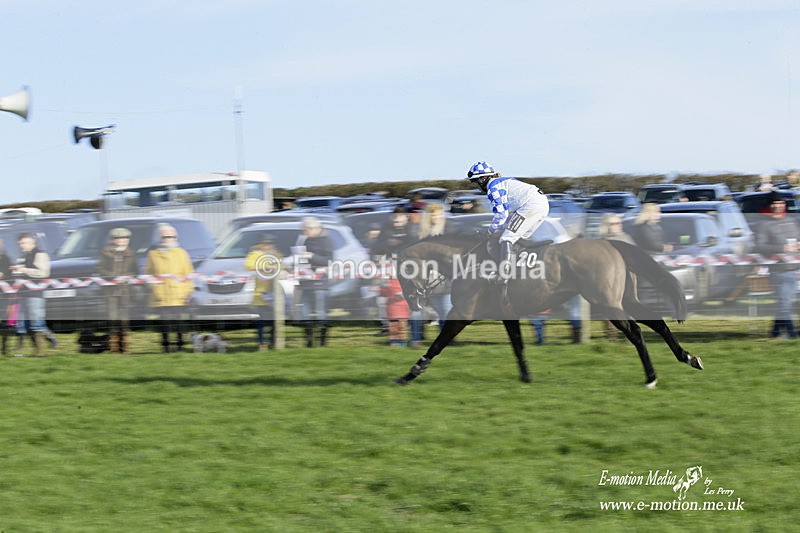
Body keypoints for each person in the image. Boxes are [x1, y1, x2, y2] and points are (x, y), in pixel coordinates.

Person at [466, 161, 550, 283]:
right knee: (520, 239)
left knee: (507, 238)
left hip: (531, 205)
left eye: (476, 182)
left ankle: (504, 275)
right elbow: (506, 215)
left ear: (483, 179)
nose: (477, 187)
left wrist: (489, 231)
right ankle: (521, 269)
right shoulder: (501, 182)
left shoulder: (493, 187)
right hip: (542, 204)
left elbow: (501, 215)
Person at [754, 193, 800, 338]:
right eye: (775, 203)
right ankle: (792, 333)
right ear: (770, 206)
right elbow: (760, 247)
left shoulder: (791, 221)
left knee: (785, 302)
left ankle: (775, 332)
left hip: (794, 268)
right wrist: (782, 248)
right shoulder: (763, 224)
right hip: (779, 270)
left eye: (781, 203)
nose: (778, 206)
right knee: (784, 301)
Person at [146, 224, 194, 353]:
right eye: (165, 237)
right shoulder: (153, 254)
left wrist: (189, 291)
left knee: (179, 322)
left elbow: (189, 274)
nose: (168, 239)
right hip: (161, 295)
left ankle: (180, 346)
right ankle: (166, 347)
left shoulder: (182, 253)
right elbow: (149, 274)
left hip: (179, 294)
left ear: (176, 237)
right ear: (160, 238)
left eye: (171, 237)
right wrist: (154, 288)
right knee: (164, 323)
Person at [10, 233, 55, 357]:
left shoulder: (40, 254)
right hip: (23, 293)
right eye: (20, 243)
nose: (21, 245)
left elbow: (43, 273)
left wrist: (24, 270)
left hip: (36, 293)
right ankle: (27, 347)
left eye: (23, 243)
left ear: (32, 242)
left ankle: (47, 343)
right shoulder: (23, 256)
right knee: (23, 322)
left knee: (36, 321)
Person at [295, 217, 333, 348]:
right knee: (304, 313)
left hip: (320, 283)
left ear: (315, 229)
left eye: (306, 230)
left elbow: (329, 260)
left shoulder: (326, 241)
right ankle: (309, 341)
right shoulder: (306, 240)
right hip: (305, 282)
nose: (304, 232)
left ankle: (322, 342)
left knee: (321, 313)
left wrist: (312, 256)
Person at [98, 227, 138, 353]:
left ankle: (124, 346)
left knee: (124, 319)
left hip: (125, 291)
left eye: (125, 238)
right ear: (113, 240)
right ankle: (113, 347)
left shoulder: (131, 253)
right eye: (118, 238)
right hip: (111, 291)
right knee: (112, 318)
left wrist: (127, 277)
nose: (122, 240)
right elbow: (100, 269)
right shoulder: (106, 252)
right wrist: (113, 276)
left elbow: (135, 271)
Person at [244, 235, 282, 350]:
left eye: (270, 244)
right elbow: (249, 265)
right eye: (265, 244)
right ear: (260, 245)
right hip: (259, 296)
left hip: (274, 295)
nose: (267, 246)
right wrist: (267, 265)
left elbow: (282, 265)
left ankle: (273, 342)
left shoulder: (276, 255)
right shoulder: (254, 255)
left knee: (274, 321)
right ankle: (261, 343)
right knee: (260, 322)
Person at [379, 271, 410, 347]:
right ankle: (395, 341)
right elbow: (383, 293)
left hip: (400, 307)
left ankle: (398, 341)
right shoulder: (389, 281)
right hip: (394, 307)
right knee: (396, 325)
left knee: (400, 325)